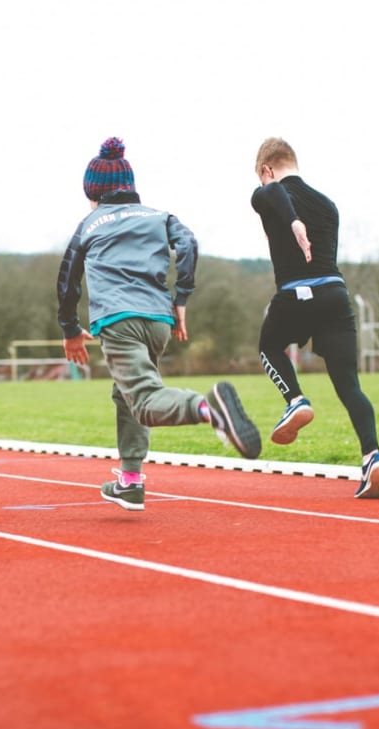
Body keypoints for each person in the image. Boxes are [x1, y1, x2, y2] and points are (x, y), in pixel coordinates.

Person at [57, 137, 262, 511]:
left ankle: (210, 409)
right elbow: (188, 244)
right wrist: (181, 297)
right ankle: (130, 480)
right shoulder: (158, 216)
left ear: (94, 193)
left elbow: (68, 279)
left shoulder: (89, 223)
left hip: (118, 320)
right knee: (126, 394)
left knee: (146, 400)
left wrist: (70, 329)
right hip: (158, 323)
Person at [250, 137, 379, 499]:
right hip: (335, 296)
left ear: (267, 170)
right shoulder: (328, 205)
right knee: (349, 386)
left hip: (296, 294)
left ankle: (295, 399)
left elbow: (277, 196)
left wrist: (293, 220)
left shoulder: (267, 192)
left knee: (268, 346)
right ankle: (373, 455)